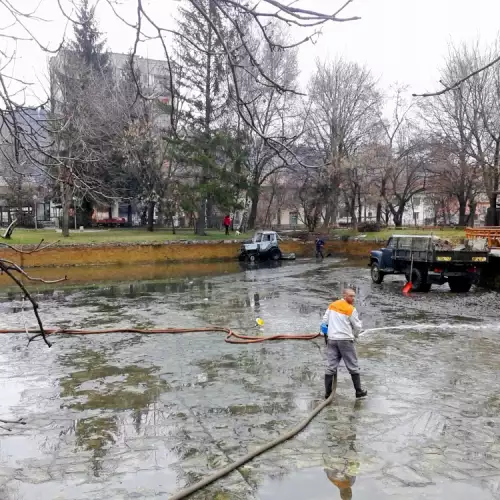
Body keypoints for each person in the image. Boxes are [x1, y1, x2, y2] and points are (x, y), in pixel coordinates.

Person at [322, 288, 367, 399]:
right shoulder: (350, 309)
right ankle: (358, 391)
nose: (353, 298)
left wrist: (326, 333)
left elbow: (324, 322)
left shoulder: (332, 305)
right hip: (345, 341)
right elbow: (357, 327)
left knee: (331, 366)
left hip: (332, 340)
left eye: (354, 296)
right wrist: (356, 336)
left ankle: (328, 393)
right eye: (351, 296)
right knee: (353, 365)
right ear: (344, 295)